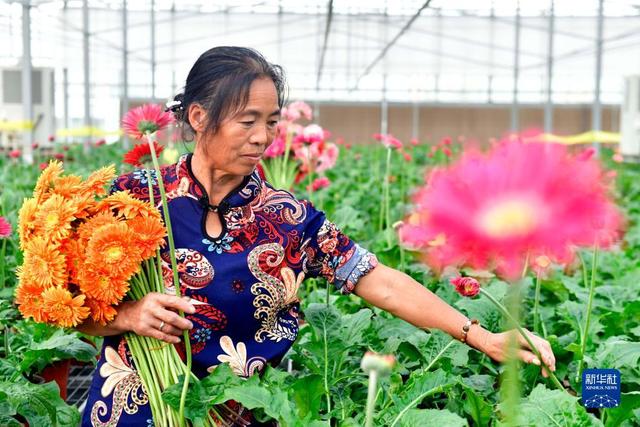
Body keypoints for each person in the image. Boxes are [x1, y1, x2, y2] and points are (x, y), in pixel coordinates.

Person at [79, 46, 556, 426]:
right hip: (130, 411)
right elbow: (71, 309)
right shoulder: (132, 200)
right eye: (247, 121)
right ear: (200, 117)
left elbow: (379, 281)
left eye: (270, 122)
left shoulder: (286, 217)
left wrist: (483, 336)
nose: (263, 137)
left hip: (243, 414)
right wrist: (128, 314)